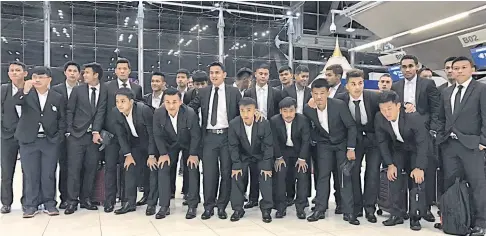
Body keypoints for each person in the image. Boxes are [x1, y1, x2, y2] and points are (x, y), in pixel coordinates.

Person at [437, 56, 486, 235]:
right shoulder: (446, 92)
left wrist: (483, 142)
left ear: (472, 69)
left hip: (472, 145)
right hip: (449, 145)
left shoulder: (481, 89)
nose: (458, 71)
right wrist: (440, 138)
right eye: (455, 68)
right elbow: (441, 118)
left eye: (463, 68)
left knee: (477, 184)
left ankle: (481, 222)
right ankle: (454, 218)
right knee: (451, 184)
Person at [188, 61, 241, 220]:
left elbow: (242, 110)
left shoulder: (234, 92)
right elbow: (191, 108)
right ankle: (208, 206)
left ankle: (222, 206)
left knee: (226, 172)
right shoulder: (203, 92)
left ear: (224, 75)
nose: (214, 75)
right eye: (211, 73)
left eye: (217, 72)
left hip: (227, 137)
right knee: (210, 174)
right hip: (209, 137)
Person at [303, 78, 359, 225]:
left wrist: (350, 148)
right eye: (316, 93)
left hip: (342, 144)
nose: (319, 97)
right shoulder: (308, 108)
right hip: (324, 145)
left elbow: (351, 127)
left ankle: (349, 212)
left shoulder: (338, 105)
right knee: (322, 176)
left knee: (344, 177)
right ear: (312, 94)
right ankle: (319, 210)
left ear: (328, 92)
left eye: (322, 93)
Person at [392, 55, 440, 221]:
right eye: (404, 67)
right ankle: (401, 211)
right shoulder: (396, 86)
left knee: (421, 176)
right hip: (402, 137)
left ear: (417, 66)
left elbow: (435, 109)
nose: (407, 69)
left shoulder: (428, 84)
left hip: (422, 136)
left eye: (410, 66)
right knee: (401, 176)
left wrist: (431, 130)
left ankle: (422, 211)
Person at [14, 66, 66, 218]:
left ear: (49, 80)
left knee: (48, 174)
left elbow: (62, 119)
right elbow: (15, 102)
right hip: (29, 140)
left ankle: (49, 203)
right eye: (35, 76)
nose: (37, 79)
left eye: (41, 77)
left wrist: (59, 136)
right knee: (30, 173)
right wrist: (24, 90)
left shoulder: (57, 97)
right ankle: (30, 205)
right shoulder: (26, 94)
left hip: (50, 140)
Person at [374, 90, 428, 230]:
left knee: (416, 181)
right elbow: (382, 143)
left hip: (417, 150)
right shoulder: (379, 118)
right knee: (393, 176)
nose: (386, 113)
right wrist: (390, 164)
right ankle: (396, 214)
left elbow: (423, 143)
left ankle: (415, 217)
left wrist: (419, 167)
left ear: (398, 106)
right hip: (399, 149)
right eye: (383, 109)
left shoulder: (413, 118)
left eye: (389, 108)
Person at [335, 69, 381, 223]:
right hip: (352, 141)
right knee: (353, 174)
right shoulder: (340, 99)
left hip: (373, 140)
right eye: (353, 84)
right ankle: (356, 207)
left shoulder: (374, 97)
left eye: (360, 83)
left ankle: (370, 208)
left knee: (372, 173)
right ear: (346, 86)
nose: (357, 87)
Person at [64, 62, 108, 215]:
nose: (84, 75)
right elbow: (69, 110)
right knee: (74, 169)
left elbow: (102, 111)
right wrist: (69, 131)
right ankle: (71, 201)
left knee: (91, 169)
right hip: (76, 136)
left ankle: (86, 199)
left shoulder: (105, 90)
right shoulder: (78, 90)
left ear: (96, 75)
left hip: (94, 138)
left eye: (87, 73)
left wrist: (96, 131)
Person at [152, 88, 201, 219]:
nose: (171, 105)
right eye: (167, 102)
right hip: (170, 145)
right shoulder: (158, 113)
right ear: (163, 102)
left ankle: (192, 205)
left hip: (188, 144)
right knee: (163, 167)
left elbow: (196, 135)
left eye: (174, 102)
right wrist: (163, 153)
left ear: (180, 102)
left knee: (192, 167)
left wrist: (193, 154)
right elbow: (157, 135)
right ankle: (164, 205)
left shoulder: (190, 113)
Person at [103, 58, 143, 213]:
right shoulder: (107, 87)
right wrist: (97, 130)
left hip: (130, 137)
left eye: (125, 68)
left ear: (129, 70)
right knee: (111, 168)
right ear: (115, 71)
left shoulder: (136, 88)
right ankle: (109, 200)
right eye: (119, 68)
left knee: (129, 167)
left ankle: (127, 199)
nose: (122, 71)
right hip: (112, 135)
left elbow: (137, 111)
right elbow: (102, 109)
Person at [228, 97, 274, 223]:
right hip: (243, 157)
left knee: (266, 175)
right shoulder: (234, 124)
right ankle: (238, 209)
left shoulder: (263, 123)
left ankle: (266, 208)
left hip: (260, 156)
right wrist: (236, 164)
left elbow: (268, 145)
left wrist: (266, 165)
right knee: (236, 175)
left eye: (249, 110)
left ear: (255, 110)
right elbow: (233, 146)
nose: (245, 114)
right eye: (242, 110)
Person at [112, 88, 156, 215]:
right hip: (135, 144)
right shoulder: (116, 112)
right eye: (117, 101)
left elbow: (153, 134)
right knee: (129, 168)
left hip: (151, 143)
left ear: (131, 102)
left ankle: (151, 201)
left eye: (123, 101)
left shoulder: (143, 110)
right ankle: (129, 203)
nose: (119, 104)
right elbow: (121, 135)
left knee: (151, 171)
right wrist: (128, 154)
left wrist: (152, 155)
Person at [243, 63, 281, 209]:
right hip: (253, 133)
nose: (263, 76)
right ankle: (253, 198)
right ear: (256, 74)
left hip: (271, 132)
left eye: (266, 74)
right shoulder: (248, 92)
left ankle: (270, 198)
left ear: (268, 76)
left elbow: (279, 113)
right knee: (253, 167)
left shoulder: (276, 92)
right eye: (261, 73)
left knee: (269, 166)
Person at [270, 97, 310, 219]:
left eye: (291, 111)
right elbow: (274, 141)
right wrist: (278, 157)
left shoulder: (303, 120)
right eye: (285, 111)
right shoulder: (274, 121)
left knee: (302, 174)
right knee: (280, 174)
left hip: (299, 153)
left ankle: (301, 207)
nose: (288, 114)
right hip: (282, 153)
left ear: (296, 110)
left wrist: (302, 158)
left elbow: (306, 140)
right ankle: (281, 207)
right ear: (280, 111)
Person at [52, 61, 80, 210]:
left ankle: (76, 196)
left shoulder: (83, 89)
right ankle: (64, 198)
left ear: (79, 74)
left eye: (75, 71)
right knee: (64, 166)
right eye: (70, 70)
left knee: (76, 167)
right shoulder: (57, 90)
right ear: (65, 73)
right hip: (62, 134)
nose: (72, 73)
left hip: (79, 133)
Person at [1, 61, 27, 214]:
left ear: (25, 73)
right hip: (7, 135)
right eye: (12, 70)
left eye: (18, 70)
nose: (14, 73)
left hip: (26, 135)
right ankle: (6, 202)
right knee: (6, 171)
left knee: (28, 171)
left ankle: (27, 201)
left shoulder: (30, 89)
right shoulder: (3, 90)